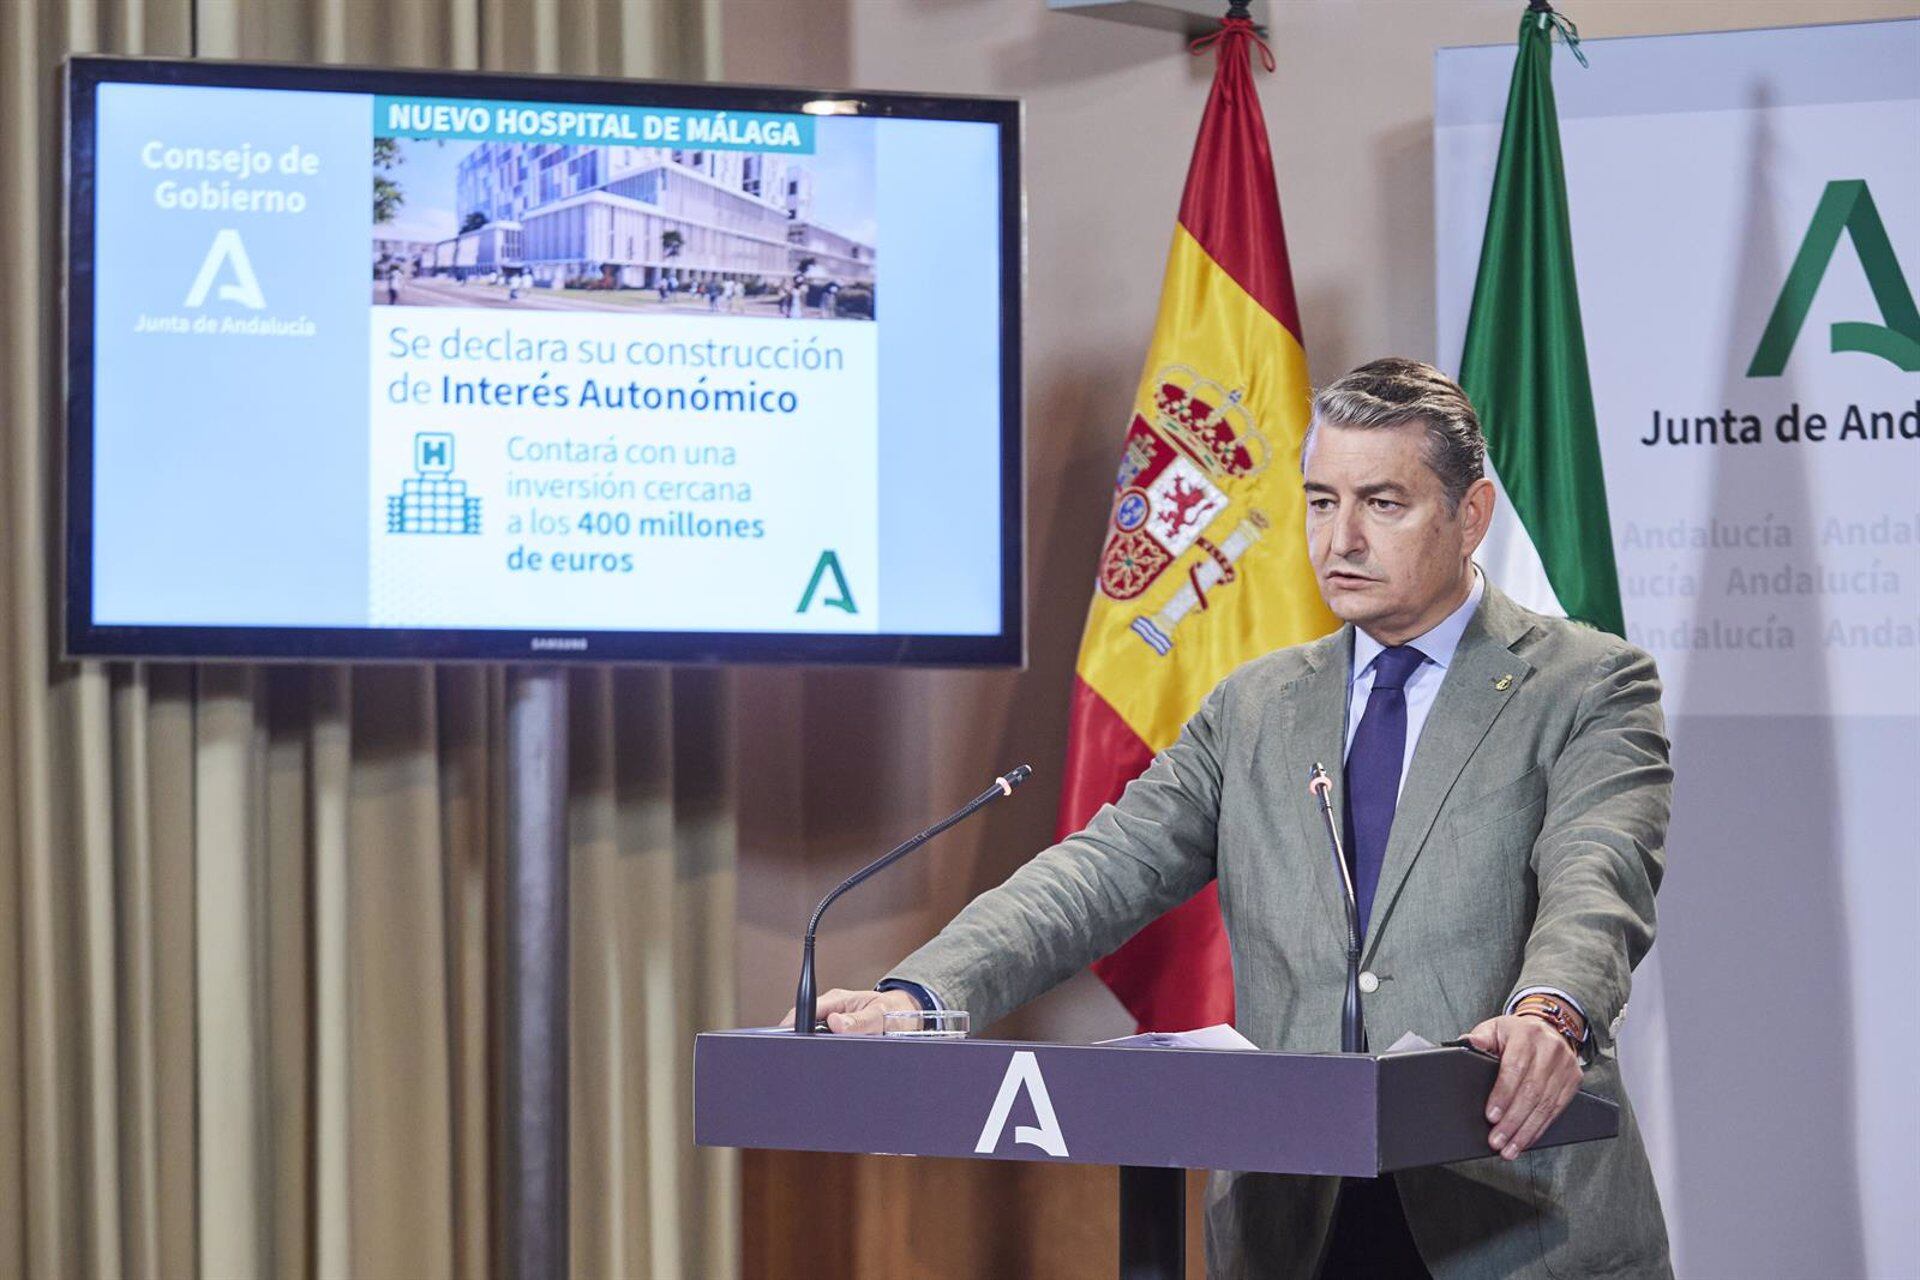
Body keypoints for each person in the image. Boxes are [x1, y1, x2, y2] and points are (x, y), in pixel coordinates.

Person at [790, 358, 1673, 1280]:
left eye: (1384, 503)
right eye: (1321, 501)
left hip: (1515, 1207)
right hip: (1299, 1222)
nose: (1342, 540)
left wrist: (1551, 1012)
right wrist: (921, 997)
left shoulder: (1588, 684)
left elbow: (1599, 876)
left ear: (1472, 515)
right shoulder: (1258, 705)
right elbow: (1100, 871)